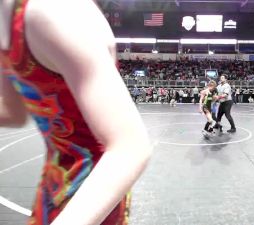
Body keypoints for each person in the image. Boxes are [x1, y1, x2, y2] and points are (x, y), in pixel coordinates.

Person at [0, 0, 152, 224]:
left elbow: (130, 147)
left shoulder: (56, 12)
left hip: (93, 191)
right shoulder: (6, 23)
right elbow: (13, 111)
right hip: (55, 182)